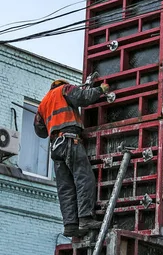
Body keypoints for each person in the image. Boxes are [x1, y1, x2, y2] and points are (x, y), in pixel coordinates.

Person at [34, 79, 110, 237]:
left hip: (55, 146)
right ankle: (85, 218)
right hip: (70, 140)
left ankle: (70, 225)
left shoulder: (43, 104)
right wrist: (100, 89)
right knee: (84, 178)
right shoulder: (65, 89)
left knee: (65, 187)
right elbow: (83, 98)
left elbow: (40, 131)